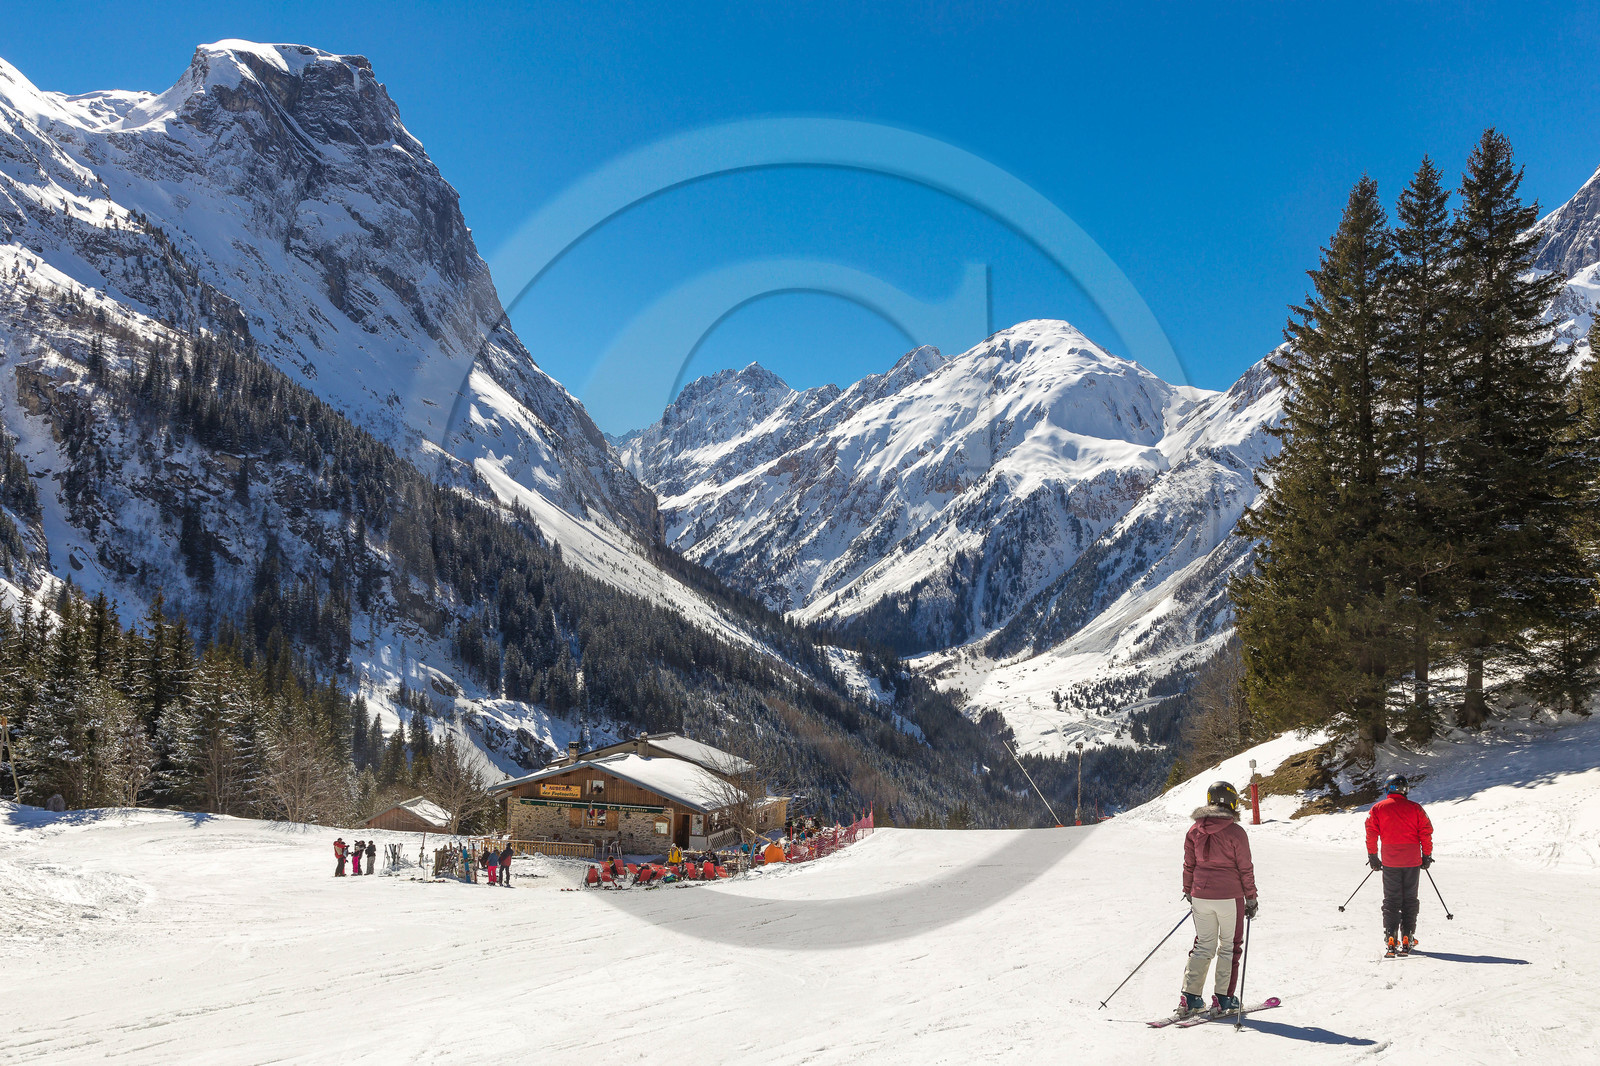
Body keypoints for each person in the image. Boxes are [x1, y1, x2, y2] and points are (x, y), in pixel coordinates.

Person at [1176, 781, 1259, 1019]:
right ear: (1232, 802)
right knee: (1230, 947)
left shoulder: (1194, 830)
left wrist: (1188, 890)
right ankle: (1224, 998)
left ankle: (1190, 998)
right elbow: (1245, 868)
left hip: (1200, 895)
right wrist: (1251, 898)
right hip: (1229, 896)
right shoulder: (1236, 832)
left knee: (1203, 944)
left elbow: (1188, 864)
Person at [1366, 773, 1434, 957]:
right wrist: (1426, 855)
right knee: (1409, 899)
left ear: (1388, 788)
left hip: (1390, 861)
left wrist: (1373, 855)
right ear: (1405, 790)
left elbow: (1371, 833)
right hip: (1412, 861)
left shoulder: (1378, 808)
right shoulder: (1415, 808)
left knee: (1391, 899)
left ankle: (1390, 936)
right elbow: (1426, 832)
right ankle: (1407, 936)